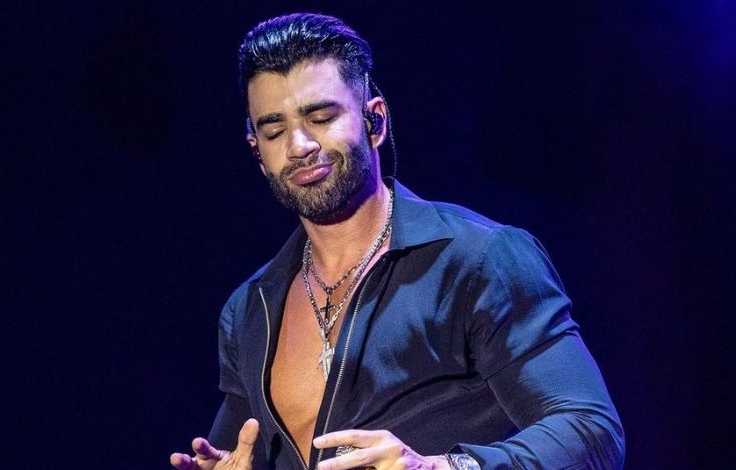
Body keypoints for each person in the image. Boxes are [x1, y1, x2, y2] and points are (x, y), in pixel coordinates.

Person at [170, 13, 625, 470]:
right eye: (274, 131)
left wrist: (441, 467)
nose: (299, 145)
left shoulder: (478, 260)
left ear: (375, 122)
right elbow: (234, 455)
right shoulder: (249, 310)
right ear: (258, 152)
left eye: (321, 118)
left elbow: (591, 432)